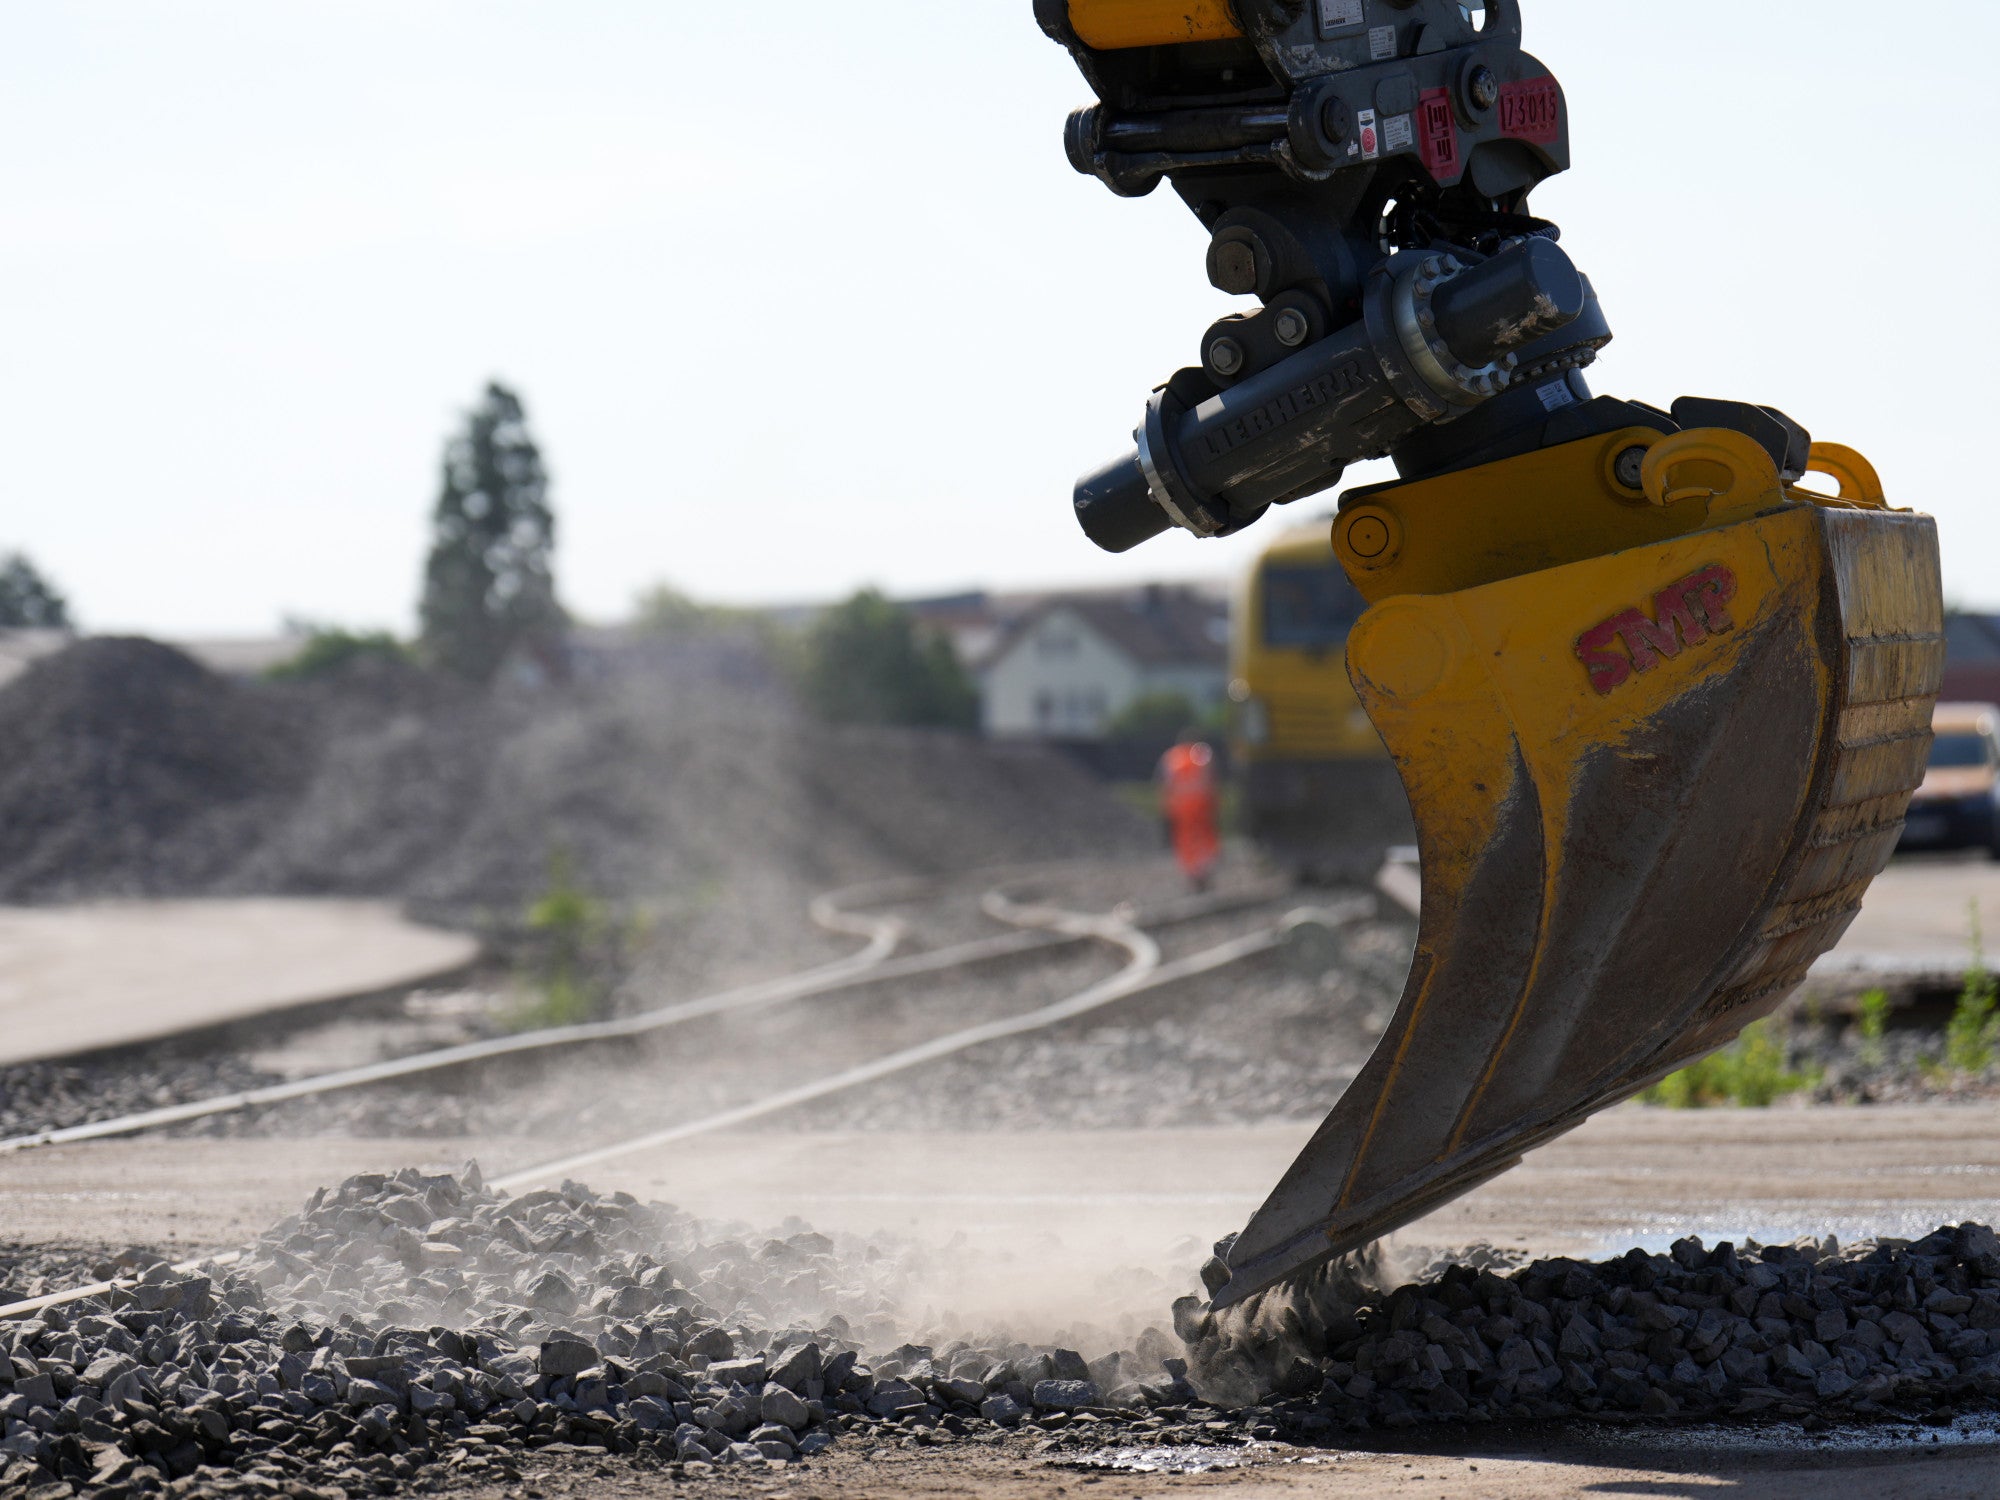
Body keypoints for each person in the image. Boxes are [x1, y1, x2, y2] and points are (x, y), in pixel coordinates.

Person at [1157, 728, 1220, 892]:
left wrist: (1165, 809)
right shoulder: (1202, 754)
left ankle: (1193, 874)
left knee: (1185, 842)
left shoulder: (1171, 757)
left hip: (1180, 810)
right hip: (1201, 808)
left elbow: (1166, 785)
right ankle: (1203, 872)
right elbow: (1210, 779)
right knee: (1204, 839)